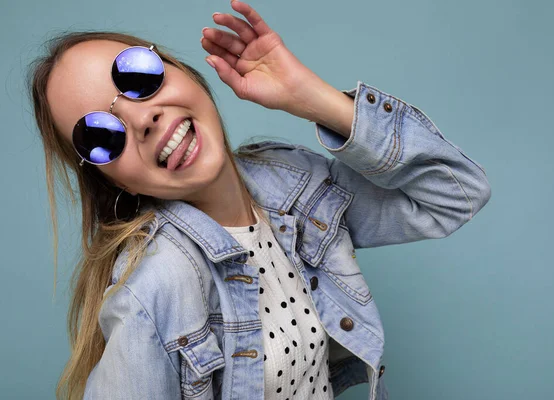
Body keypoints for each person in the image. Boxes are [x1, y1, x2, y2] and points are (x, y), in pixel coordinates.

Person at [28, 1, 491, 399]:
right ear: (114, 181)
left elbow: (455, 193)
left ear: (179, 70)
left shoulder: (295, 190)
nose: (142, 118)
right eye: (100, 135)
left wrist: (310, 98)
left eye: (137, 75)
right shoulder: (157, 286)